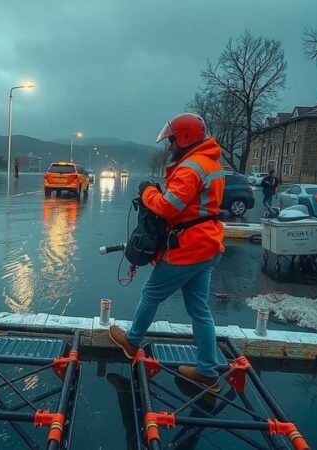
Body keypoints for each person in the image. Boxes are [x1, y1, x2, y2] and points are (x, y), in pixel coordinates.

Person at [109, 112, 225, 391]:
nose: (169, 146)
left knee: (151, 294)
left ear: (185, 138)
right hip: (208, 244)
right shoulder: (210, 164)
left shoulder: (190, 167)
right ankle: (208, 371)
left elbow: (168, 206)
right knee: (200, 310)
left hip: (189, 248)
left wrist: (148, 191)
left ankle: (132, 341)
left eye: (171, 141)